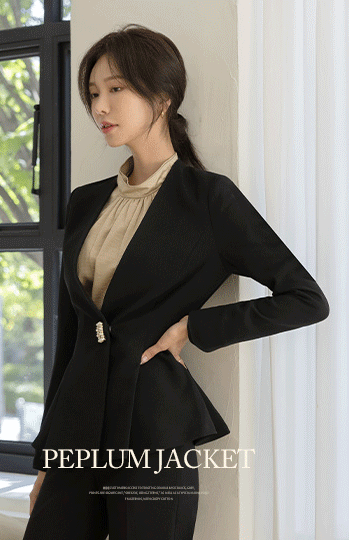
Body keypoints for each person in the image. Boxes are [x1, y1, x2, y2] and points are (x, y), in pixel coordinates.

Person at [23, 23, 329, 540]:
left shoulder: (207, 198)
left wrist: (193, 328)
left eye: (116, 89)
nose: (100, 106)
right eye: (93, 93)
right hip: (76, 430)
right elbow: (71, 335)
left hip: (152, 427)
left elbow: (306, 299)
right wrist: (46, 459)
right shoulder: (85, 201)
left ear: (162, 97)